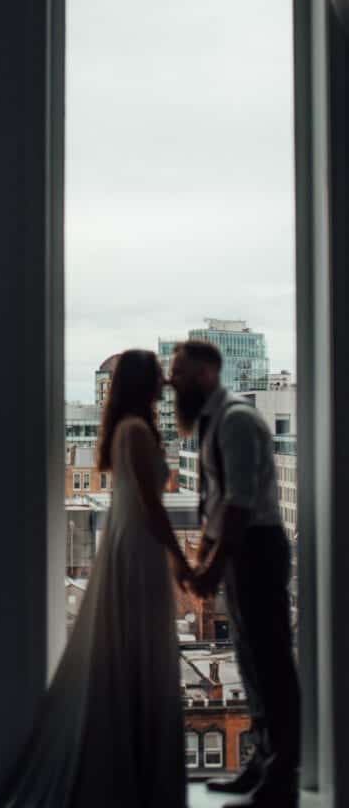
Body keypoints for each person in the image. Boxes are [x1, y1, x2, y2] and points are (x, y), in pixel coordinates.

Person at [0, 349, 191, 808]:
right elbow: (154, 506)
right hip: (140, 549)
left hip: (130, 544)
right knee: (144, 652)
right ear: (143, 383)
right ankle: (138, 776)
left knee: (131, 652)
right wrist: (182, 560)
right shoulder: (136, 431)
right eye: (158, 375)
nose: (165, 381)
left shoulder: (127, 430)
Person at [170, 340, 300, 808]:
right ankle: (262, 762)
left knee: (271, 662)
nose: (172, 382)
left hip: (258, 549)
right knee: (248, 659)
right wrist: (206, 556)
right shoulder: (212, 423)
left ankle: (283, 772)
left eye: (179, 372)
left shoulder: (238, 421)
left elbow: (241, 504)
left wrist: (212, 567)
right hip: (244, 549)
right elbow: (217, 503)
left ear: (206, 372)